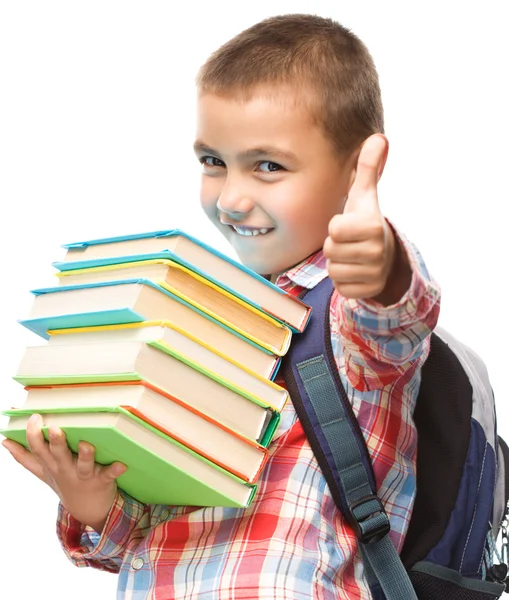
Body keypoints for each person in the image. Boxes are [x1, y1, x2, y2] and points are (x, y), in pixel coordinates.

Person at [1, 13, 441, 599]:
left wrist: (383, 264)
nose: (231, 199)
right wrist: (97, 502)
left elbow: (397, 321)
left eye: (268, 166)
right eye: (213, 162)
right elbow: (146, 539)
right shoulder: (205, 318)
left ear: (355, 167)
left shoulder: (346, 315)